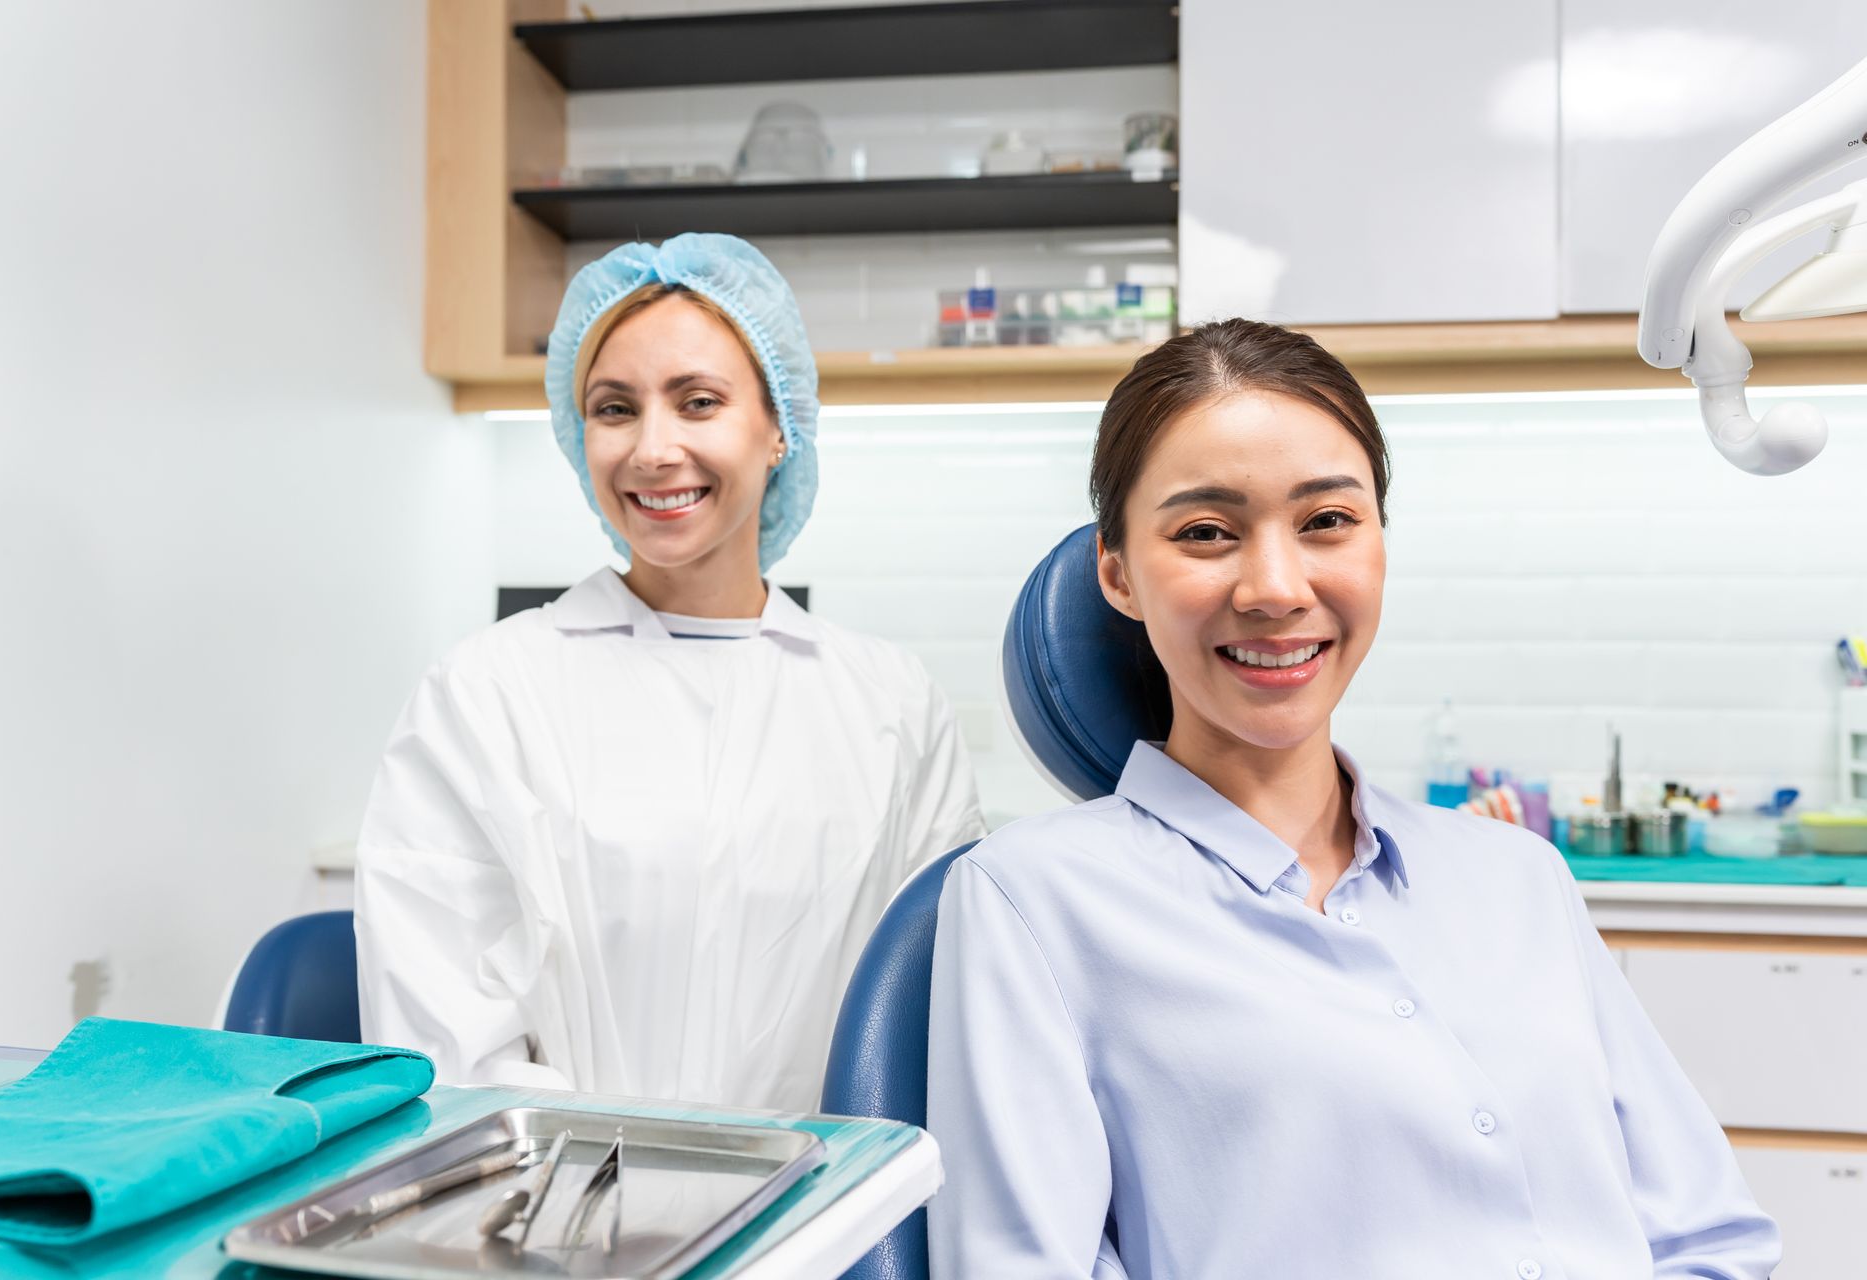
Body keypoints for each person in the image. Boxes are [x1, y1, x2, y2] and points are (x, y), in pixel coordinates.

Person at [926, 320, 1779, 1278]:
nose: (1277, 587)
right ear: (1118, 575)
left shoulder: (1516, 878)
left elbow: (1712, 1239)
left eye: (1327, 520)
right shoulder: (1033, 902)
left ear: (1378, 543)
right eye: (1206, 532)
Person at [356, 233, 983, 1111]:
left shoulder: (891, 706)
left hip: (822, 1224)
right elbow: (444, 1045)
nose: (652, 449)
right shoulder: (486, 693)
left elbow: (932, 1015)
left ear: (778, 430)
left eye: (697, 402)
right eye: (615, 409)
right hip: (551, 1225)